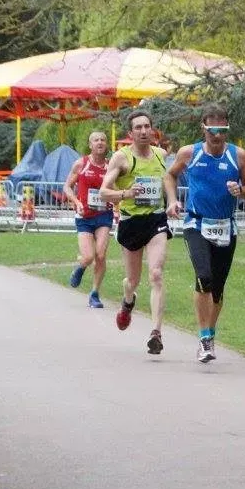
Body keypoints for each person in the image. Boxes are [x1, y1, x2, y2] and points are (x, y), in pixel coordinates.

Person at [163, 105, 245, 363]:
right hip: (196, 224)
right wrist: (172, 200)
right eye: (212, 130)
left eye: (222, 130)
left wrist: (240, 190)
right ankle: (204, 338)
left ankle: (210, 333)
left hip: (226, 226)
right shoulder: (189, 153)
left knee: (217, 288)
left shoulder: (238, 156)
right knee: (204, 277)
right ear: (203, 128)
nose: (217, 135)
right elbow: (169, 176)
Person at [101, 110, 172, 354]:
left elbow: (168, 181)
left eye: (147, 126)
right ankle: (128, 301)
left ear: (152, 130)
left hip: (156, 220)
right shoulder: (122, 158)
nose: (143, 131)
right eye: (138, 128)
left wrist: (172, 201)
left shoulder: (161, 155)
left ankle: (156, 333)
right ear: (130, 133)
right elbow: (104, 192)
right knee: (133, 281)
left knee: (156, 274)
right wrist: (126, 193)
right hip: (131, 222)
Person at [62, 129, 114, 308]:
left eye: (103, 140)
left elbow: (115, 189)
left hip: (104, 215)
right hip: (84, 216)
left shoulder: (110, 167)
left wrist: (118, 201)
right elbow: (67, 186)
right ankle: (81, 267)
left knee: (101, 255)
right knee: (88, 257)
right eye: (96, 140)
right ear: (90, 145)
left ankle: (94, 294)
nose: (100, 142)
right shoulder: (81, 164)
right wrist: (76, 202)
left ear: (106, 144)